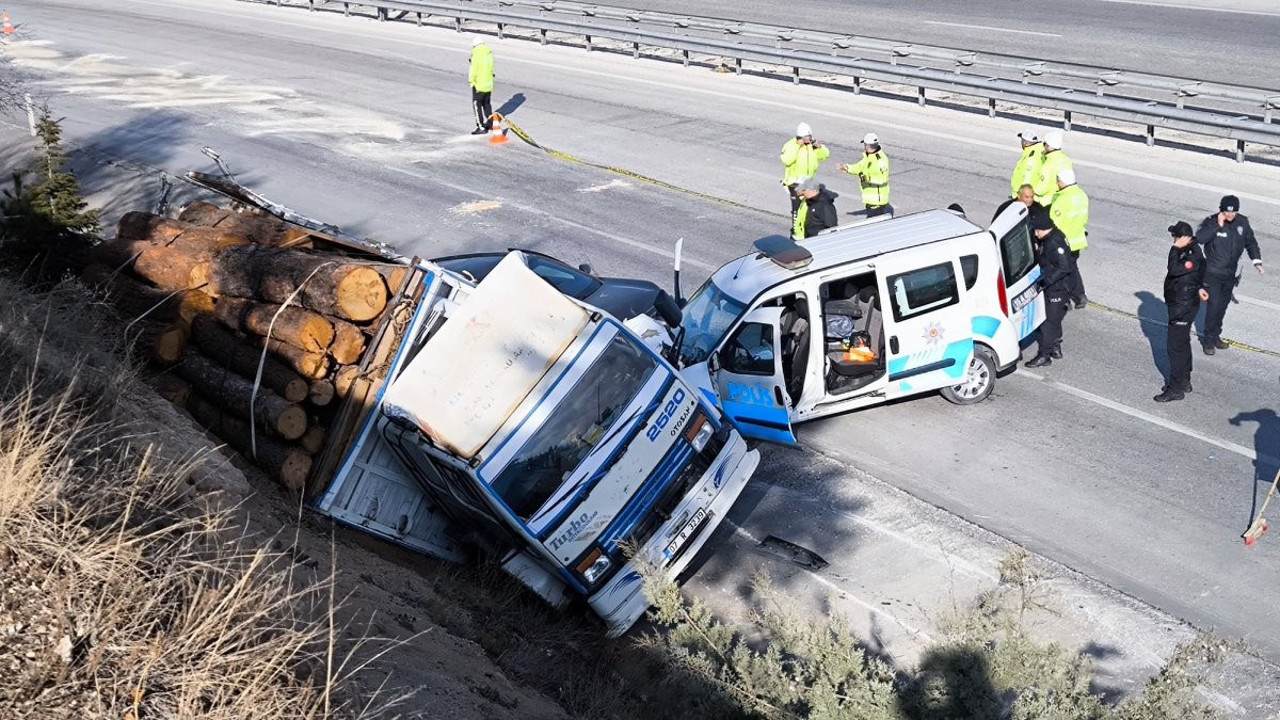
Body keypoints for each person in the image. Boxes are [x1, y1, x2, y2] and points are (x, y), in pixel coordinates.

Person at [1195, 194, 1264, 355]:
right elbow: (1200, 238)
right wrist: (1217, 225)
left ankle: (1215, 335)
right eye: (1227, 212)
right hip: (1213, 273)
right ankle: (1208, 341)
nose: (1230, 215)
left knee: (1222, 308)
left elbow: (1251, 242)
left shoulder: (1242, 223)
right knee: (1214, 307)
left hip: (1230, 274)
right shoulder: (1211, 222)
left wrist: (1257, 261)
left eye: (1233, 212)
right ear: (1221, 210)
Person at [1155, 221, 1209, 402]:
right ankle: (1185, 380)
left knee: (1175, 348)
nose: (1173, 240)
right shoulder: (1193, 250)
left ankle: (1176, 388)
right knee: (1183, 343)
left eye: (1175, 236)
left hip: (1182, 307)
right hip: (1184, 304)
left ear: (1182, 238)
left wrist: (1174, 249)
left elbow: (1174, 269)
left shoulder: (1191, 254)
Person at [1024, 212, 1076, 367]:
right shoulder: (1052, 237)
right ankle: (1055, 346)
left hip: (1057, 289)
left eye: (1036, 230)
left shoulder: (1053, 242)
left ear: (1043, 229)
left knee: (1047, 322)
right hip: (1057, 287)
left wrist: (1047, 280)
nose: (1035, 233)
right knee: (1054, 319)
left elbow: (1064, 267)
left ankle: (1044, 355)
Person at [1050, 168, 1089, 308]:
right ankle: (1079, 295)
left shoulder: (1063, 199)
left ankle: (1064, 300)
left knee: (1059, 269)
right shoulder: (1081, 195)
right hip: (1077, 239)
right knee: (1072, 268)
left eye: (1058, 180)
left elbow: (1055, 221)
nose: (1057, 183)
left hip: (1063, 241)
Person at [781, 123, 830, 233]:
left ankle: (807, 228)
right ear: (800, 137)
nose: (810, 139)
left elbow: (825, 155)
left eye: (810, 136)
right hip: (795, 183)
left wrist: (819, 147)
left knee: (810, 208)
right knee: (797, 210)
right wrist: (798, 146)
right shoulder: (791, 145)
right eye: (807, 137)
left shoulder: (811, 145)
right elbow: (786, 160)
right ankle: (796, 232)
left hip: (809, 183)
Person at [838, 133, 891, 217]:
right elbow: (860, 167)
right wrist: (847, 168)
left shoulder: (880, 160)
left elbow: (883, 179)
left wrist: (868, 178)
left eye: (865, 145)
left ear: (867, 146)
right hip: (871, 202)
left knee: (872, 227)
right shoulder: (869, 156)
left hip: (878, 202)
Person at [1033, 130, 1073, 208]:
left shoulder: (1049, 163)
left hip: (1046, 202)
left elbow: (1042, 188)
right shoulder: (1066, 159)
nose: (1043, 146)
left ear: (1049, 146)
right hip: (1061, 200)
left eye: (1044, 144)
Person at [469, 37, 495, 135]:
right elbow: (491, 67)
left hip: (479, 83)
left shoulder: (476, 53)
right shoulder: (489, 52)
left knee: (477, 105)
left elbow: (474, 69)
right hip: (488, 83)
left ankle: (481, 127)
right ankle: (490, 123)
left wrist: (471, 81)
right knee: (487, 104)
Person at [1010, 128, 1044, 199]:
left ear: (1025, 143)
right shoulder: (1039, 151)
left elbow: (1028, 178)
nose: (1021, 143)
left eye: (1021, 140)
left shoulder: (1031, 157)